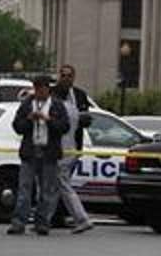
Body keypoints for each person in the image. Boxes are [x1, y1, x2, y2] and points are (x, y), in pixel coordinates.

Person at [7, 75, 70, 236]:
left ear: (48, 89)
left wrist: (48, 120)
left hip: (49, 152)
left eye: (42, 88)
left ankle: (42, 222)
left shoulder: (57, 105)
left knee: (47, 190)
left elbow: (64, 127)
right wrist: (29, 119)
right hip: (30, 150)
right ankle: (18, 222)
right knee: (24, 188)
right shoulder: (27, 103)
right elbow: (17, 126)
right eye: (36, 88)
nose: (39, 91)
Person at [53, 65, 94, 234]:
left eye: (69, 75)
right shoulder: (53, 95)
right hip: (56, 147)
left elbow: (85, 119)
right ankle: (48, 217)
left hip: (67, 148)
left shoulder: (77, 97)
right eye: (63, 75)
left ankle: (81, 218)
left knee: (61, 184)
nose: (66, 78)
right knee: (53, 185)